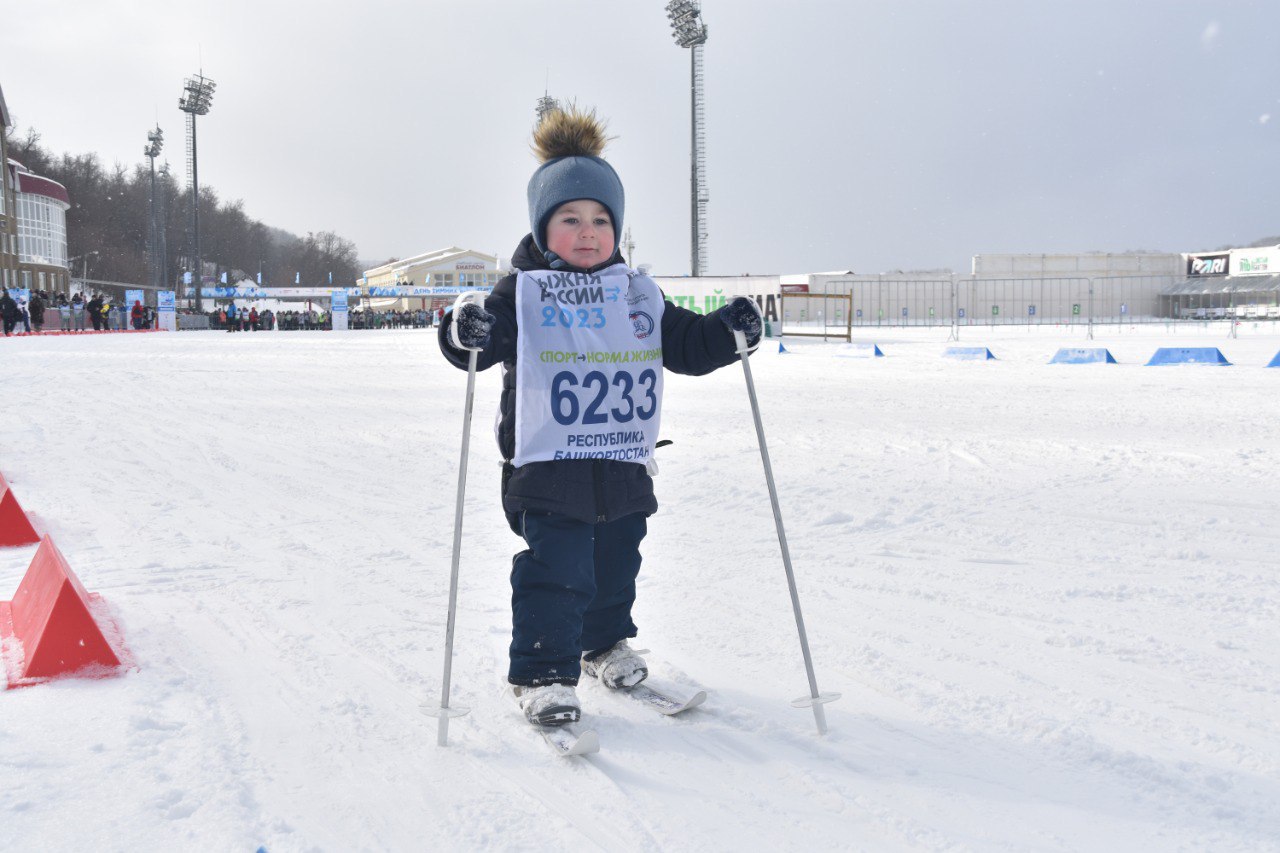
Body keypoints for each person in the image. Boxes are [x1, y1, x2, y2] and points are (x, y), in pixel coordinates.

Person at [436, 106, 762, 729]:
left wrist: (728, 331)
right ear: (541, 227)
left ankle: (603, 643)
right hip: (547, 465)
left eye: (600, 220)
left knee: (617, 560)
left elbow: (686, 344)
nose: (588, 232)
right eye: (570, 219)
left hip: (621, 461)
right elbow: (484, 342)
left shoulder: (636, 293)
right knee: (557, 569)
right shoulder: (522, 291)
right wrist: (464, 331)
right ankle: (541, 672)